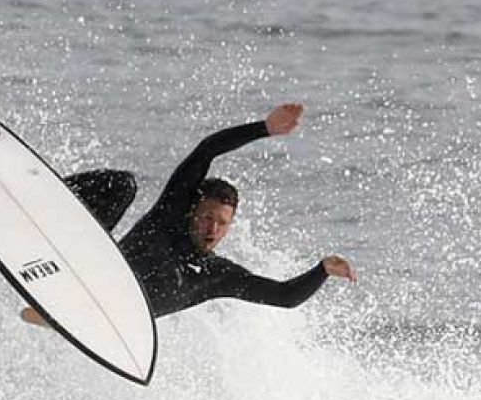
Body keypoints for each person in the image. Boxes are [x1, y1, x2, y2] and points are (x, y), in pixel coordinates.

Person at [21, 102, 357, 325]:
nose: (212, 228)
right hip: (86, 269)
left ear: (229, 228)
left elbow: (284, 297)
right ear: (192, 212)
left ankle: (65, 314)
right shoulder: (169, 216)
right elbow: (207, 149)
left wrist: (323, 269)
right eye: (207, 218)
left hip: (114, 317)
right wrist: (264, 128)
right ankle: (36, 200)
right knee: (121, 184)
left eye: (221, 223)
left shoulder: (218, 275)